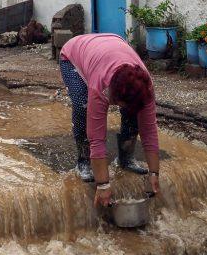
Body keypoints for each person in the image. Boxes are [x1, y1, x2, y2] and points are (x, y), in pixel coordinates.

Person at [59, 33, 161, 207]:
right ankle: (83, 161)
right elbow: (97, 137)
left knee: (133, 111)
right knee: (83, 105)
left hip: (111, 45)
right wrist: (103, 184)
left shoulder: (145, 87)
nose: (111, 102)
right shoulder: (100, 85)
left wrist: (154, 173)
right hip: (73, 55)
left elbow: (149, 131)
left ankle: (126, 158)